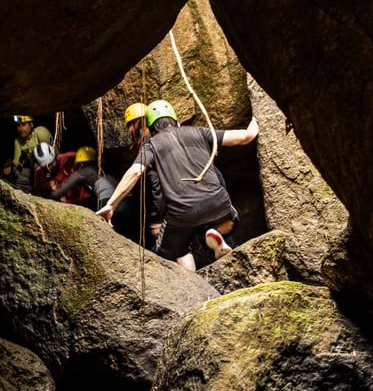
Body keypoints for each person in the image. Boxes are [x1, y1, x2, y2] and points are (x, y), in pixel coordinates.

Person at [96, 99, 259, 272]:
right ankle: (216, 233)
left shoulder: (151, 145)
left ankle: (192, 286)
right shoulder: (199, 132)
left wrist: (111, 204)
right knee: (230, 219)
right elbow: (245, 137)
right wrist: (256, 120)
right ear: (177, 120)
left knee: (170, 250)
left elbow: (135, 172)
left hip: (182, 212)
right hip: (218, 202)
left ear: (150, 128)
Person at [120, 103, 164, 247]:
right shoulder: (154, 140)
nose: (129, 130)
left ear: (135, 123)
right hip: (152, 206)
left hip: (156, 208)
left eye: (130, 126)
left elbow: (155, 181)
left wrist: (156, 217)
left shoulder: (148, 143)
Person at [9, 115, 53, 193]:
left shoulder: (40, 132)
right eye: (18, 126)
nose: (21, 129)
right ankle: (23, 194)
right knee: (19, 173)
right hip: (32, 168)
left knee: (37, 164)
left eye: (24, 125)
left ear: (31, 125)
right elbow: (16, 162)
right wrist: (12, 164)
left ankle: (41, 192)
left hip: (50, 165)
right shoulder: (18, 141)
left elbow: (49, 154)